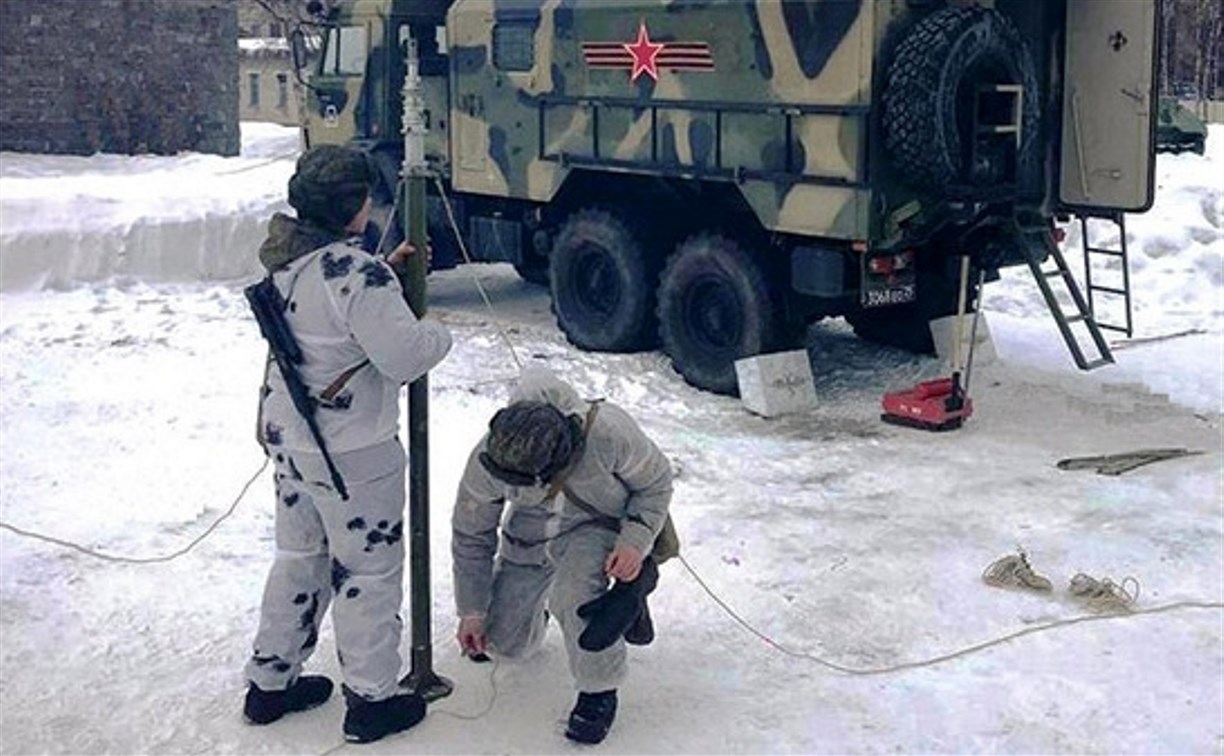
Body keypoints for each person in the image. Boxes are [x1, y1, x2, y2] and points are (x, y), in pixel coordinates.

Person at [242, 145, 453, 744]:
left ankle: (269, 685)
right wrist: (435, 330)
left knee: (298, 559)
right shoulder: (359, 275)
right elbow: (405, 356)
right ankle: (370, 701)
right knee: (368, 571)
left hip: (292, 441)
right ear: (353, 205)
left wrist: (384, 269)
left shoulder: (291, 259)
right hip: (352, 452)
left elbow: (326, 315)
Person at [451, 366, 673, 745]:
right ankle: (549, 610)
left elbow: (655, 485)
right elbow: (472, 533)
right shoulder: (488, 455)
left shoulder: (610, 434)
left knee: (575, 598)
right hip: (529, 536)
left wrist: (634, 542)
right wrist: (472, 610)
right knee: (506, 645)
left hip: (594, 528)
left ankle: (598, 690)